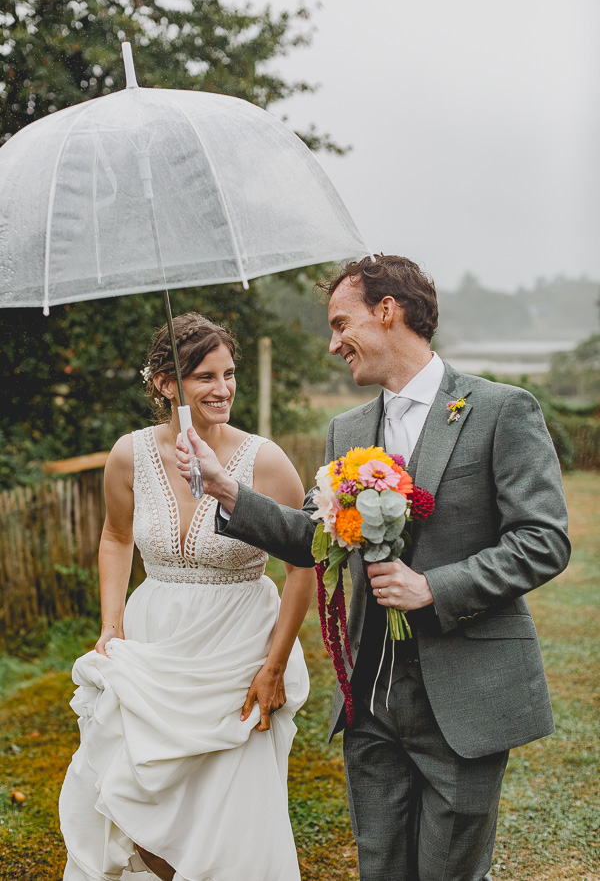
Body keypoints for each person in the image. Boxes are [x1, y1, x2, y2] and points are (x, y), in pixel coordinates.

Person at [176, 256, 571, 881]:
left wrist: (431, 587)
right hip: (371, 695)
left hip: (466, 696)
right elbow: (314, 537)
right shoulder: (348, 429)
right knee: (379, 869)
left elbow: (544, 540)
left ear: (388, 311)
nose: (333, 344)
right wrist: (226, 490)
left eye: (341, 324)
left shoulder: (500, 410)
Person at [59, 313, 313, 881]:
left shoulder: (263, 461)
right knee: (141, 799)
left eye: (228, 375)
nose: (222, 389)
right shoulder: (130, 455)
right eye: (204, 376)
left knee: (225, 814)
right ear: (166, 385)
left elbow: (305, 562)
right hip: (154, 642)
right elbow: (115, 537)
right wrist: (111, 623)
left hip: (238, 649)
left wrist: (274, 666)